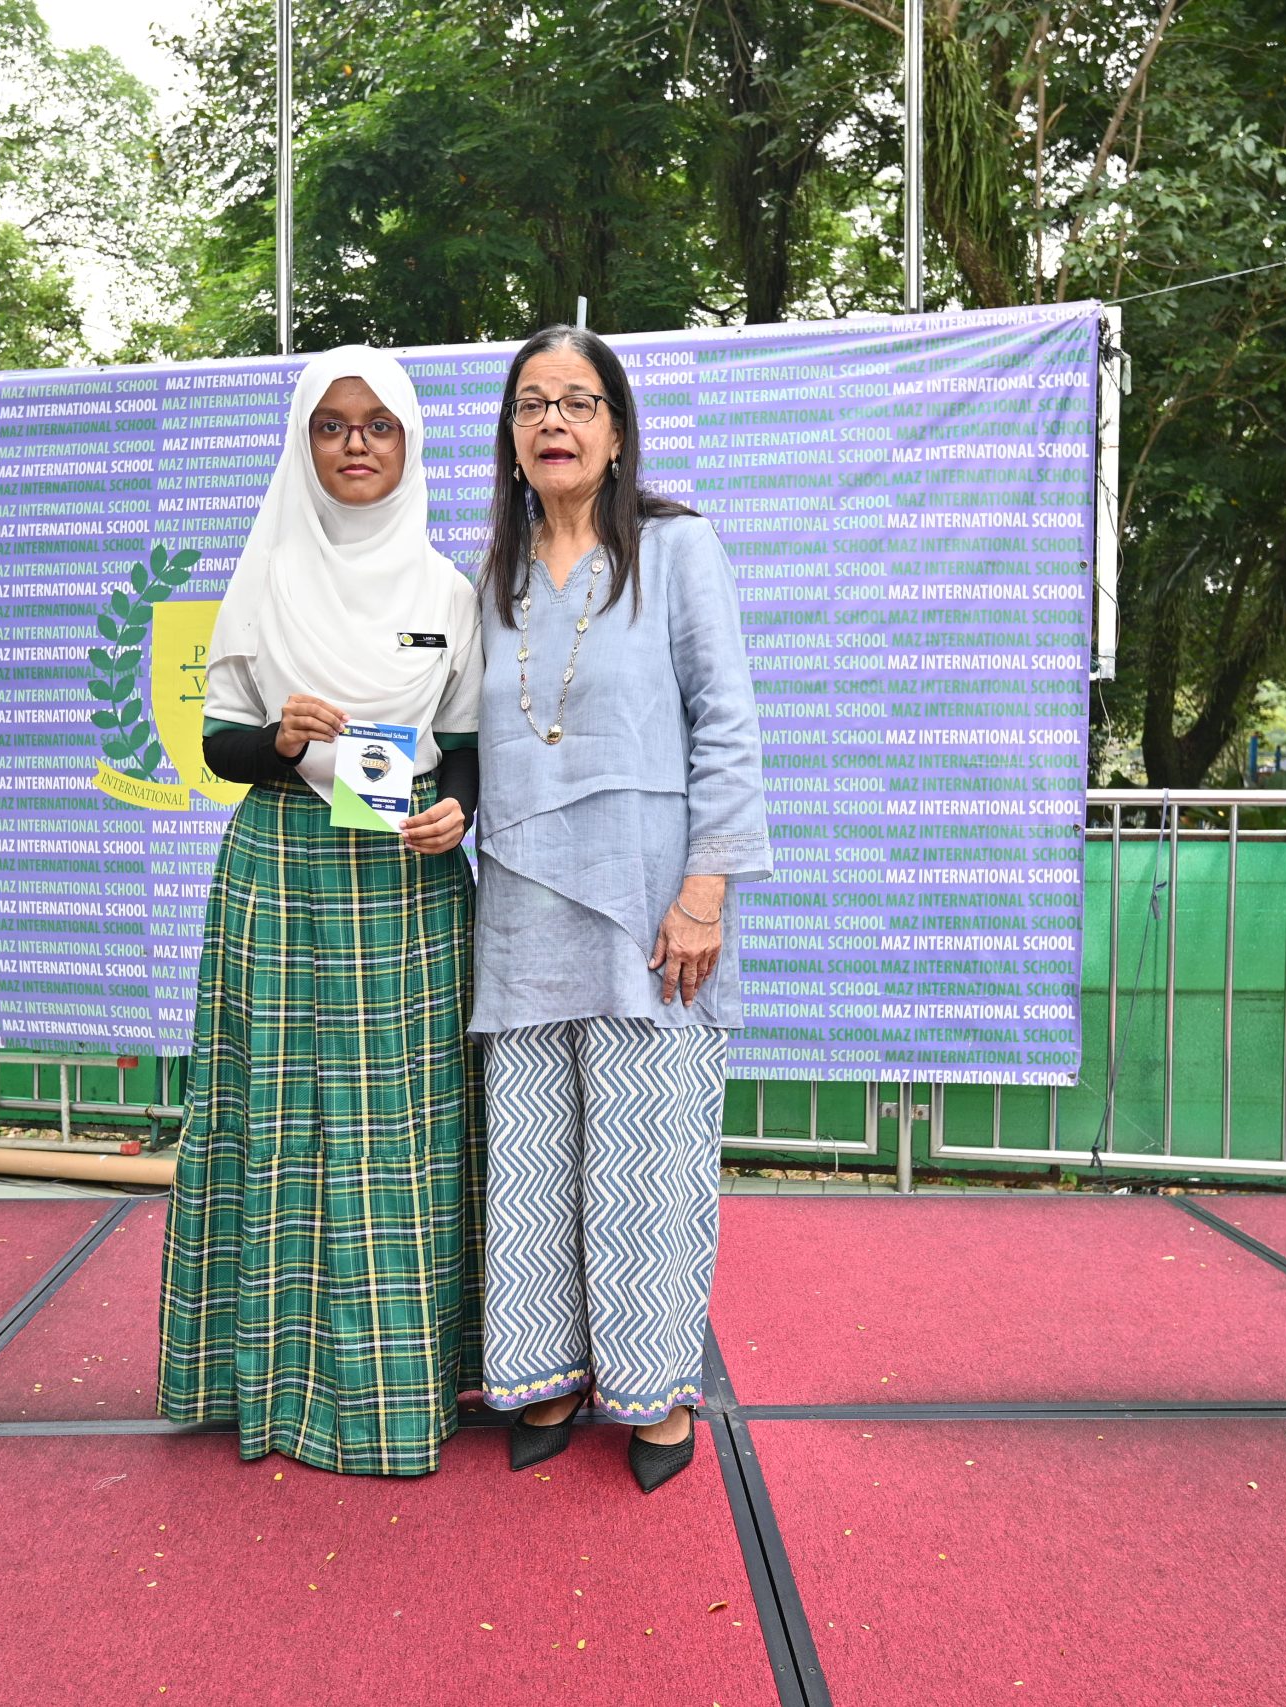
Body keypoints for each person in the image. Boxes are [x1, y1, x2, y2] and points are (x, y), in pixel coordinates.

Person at [156, 346, 486, 1477]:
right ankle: (267, 1381)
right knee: (279, 1113)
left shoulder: (449, 591)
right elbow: (219, 746)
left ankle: (416, 1381)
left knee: (403, 1126)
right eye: (333, 425)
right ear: (303, 443)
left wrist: (458, 811)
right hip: (285, 870)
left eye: (378, 425)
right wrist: (279, 739)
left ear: (410, 444)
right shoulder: (262, 579)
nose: (356, 444)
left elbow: (467, 745)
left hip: (406, 878)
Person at [470, 325, 771, 1494]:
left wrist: (704, 890)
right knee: (532, 1157)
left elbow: (728, 723)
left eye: (577, 401)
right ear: (510, 433)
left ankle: (653, 1391)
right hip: (520, 902)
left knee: (650, 1157)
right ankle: (543, 1373)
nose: (553, 421)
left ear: (615, 427)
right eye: (531, 402)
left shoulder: (678, 549)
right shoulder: (487, 578)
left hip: (653, 903)